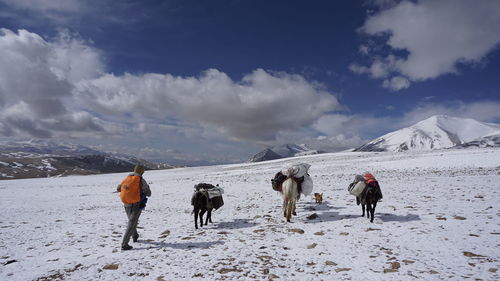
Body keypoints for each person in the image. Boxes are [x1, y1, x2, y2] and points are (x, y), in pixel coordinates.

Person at [116, 164, 151, 250]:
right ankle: (124, 244)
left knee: (132, 221)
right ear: (142, 172)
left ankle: (135, 235)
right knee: (132, 222)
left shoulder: (127, 178)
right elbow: (148, 193)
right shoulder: (140, 180)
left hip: (126, 203)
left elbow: (118, 188)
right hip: (136, 203)